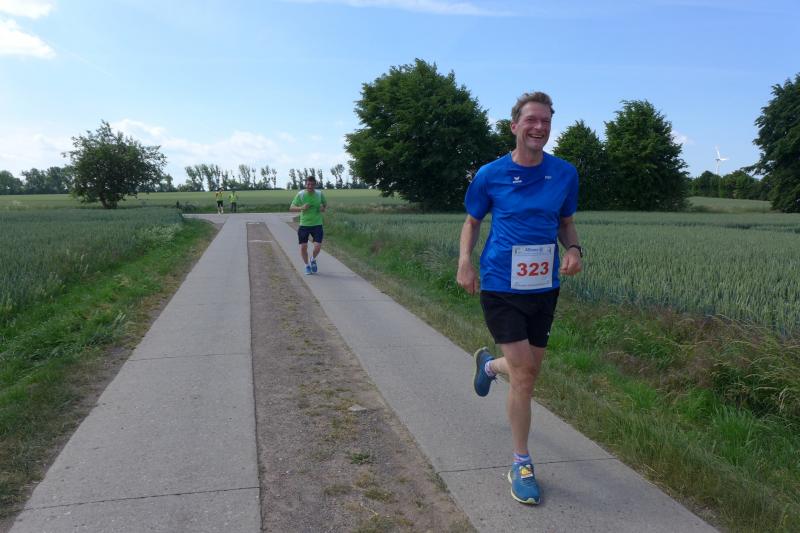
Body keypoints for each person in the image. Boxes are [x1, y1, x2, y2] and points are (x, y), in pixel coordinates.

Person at [456, 91, 583, 506]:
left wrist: (574, 249)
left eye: (546, 121)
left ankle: (489, 366)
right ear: (514, 126)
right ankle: (521, 462)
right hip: (500, 285)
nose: (539, 127)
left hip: (543, 288)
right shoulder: (490, 174)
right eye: (531, 119)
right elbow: (472, 221)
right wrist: (465, 262)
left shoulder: (564, 173)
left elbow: (565, 222)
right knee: (525, 375)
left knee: (526, 370)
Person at [289, 176, 327, 275]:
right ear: (305, 184)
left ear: (315, 185)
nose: (310, 186)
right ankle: (307, 266)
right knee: (303, 247)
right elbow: (291, 208)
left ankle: (312, 259)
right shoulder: (301, 194)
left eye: (312, 184)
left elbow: (324, 205)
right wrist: (301, 207)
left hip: (317, 224)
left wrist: (322, 208)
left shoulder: (319, 194)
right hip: (304, 224)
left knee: (318, 246)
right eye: (308, 184)